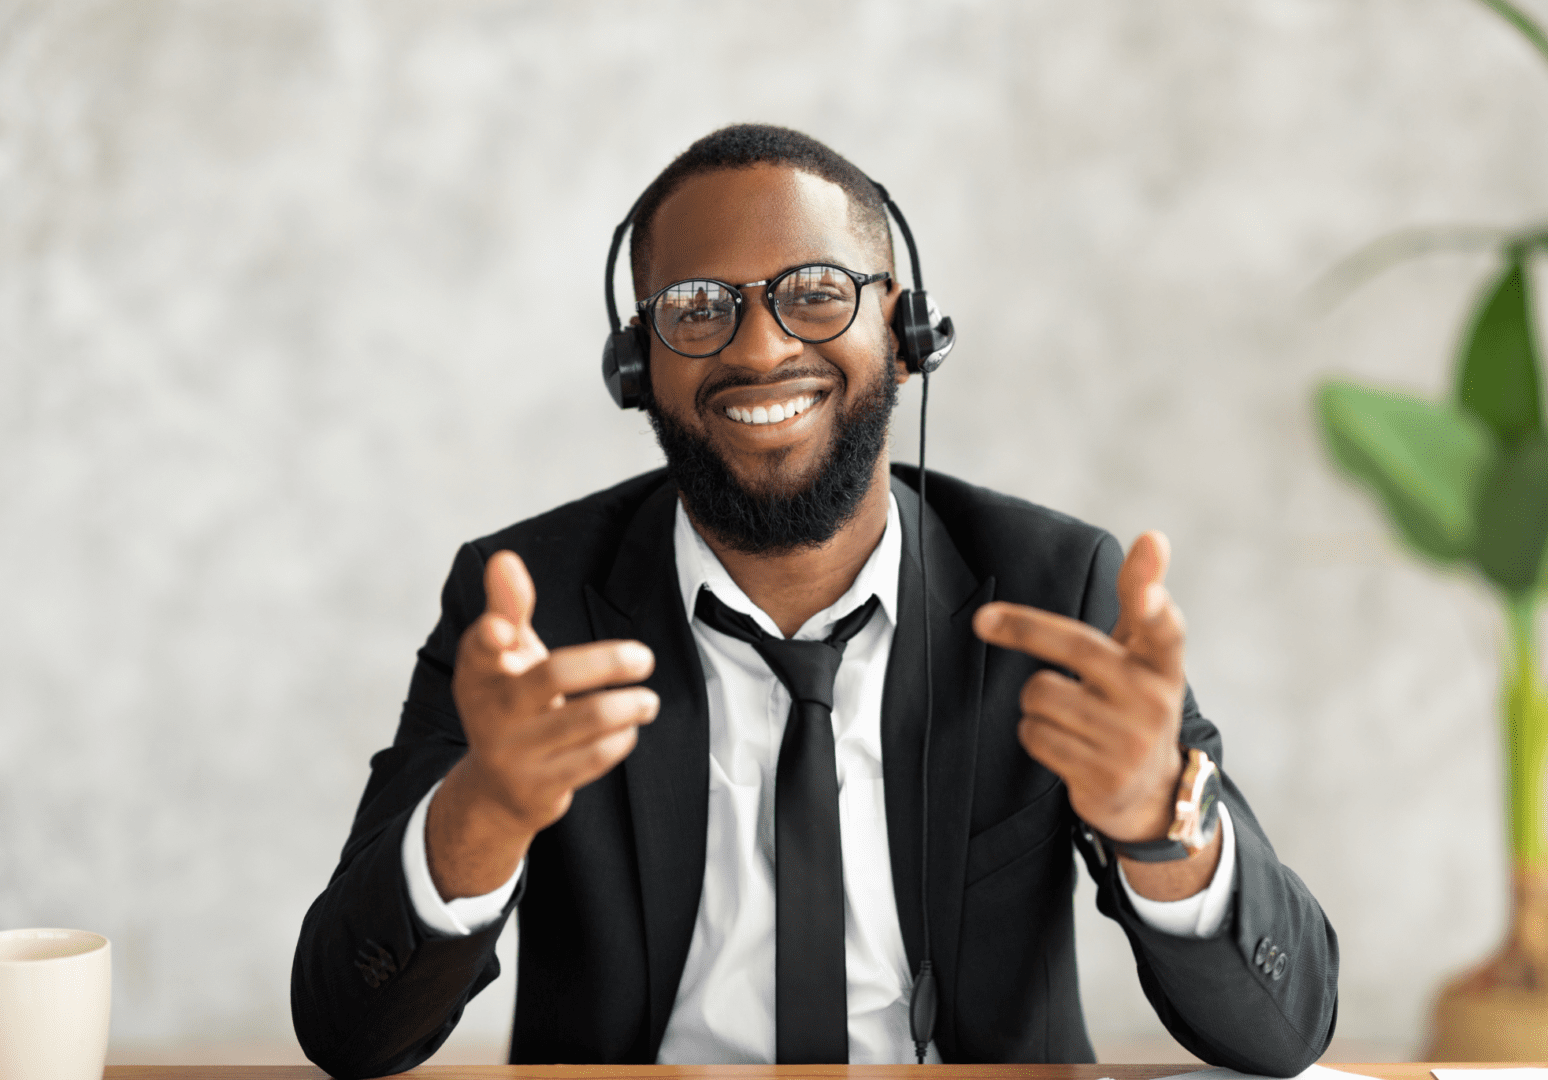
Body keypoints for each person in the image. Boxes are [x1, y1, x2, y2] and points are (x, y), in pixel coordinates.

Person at [291, 124, 1338, 1079]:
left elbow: (1282, 1031)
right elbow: (347, 1031)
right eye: (698, 309)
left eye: (816, 293)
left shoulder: (1054, 589)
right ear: (635, 362)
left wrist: (1164, 826)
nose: (758, 348)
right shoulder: (530, 605)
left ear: (903, 328)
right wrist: (487, 811)